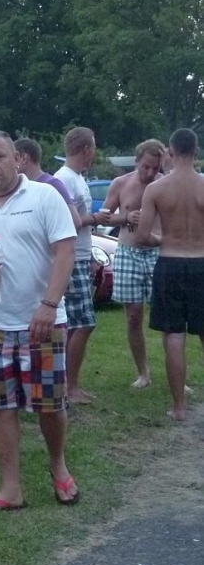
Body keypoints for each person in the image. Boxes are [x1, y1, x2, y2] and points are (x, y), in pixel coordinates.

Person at [0, 130, 78, 512]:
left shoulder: (44, 196)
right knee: (0, 407)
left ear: (17, 158)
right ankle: (11, 489)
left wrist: (48, 304)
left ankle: (58, 466)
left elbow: (65, 251)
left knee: (49, 405)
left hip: (41, 321)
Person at [135, 128, 204, 422]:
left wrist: (163, 240)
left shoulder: (156, 190)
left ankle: (178, 407)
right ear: (196, 152)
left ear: (170, 153)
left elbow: (141, 236)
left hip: (170, 263)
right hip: (202, 262)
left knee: (174, 336)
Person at [97, 139, 164, 389]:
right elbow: (103, 216)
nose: (149, 173)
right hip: (127, 251)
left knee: (168, 314)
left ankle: (174, 370)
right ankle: (143, 372)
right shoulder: (121, 183)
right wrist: (125, 217)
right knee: (133, 316)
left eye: (154, 168)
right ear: (137, 161)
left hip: (159, 252)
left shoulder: (164, 184)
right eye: (145, 166)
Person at [54, 127, 100, 404]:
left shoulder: (78, 179)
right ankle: (70, 388)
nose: (94, 152)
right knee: (84, 324)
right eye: (93, 147)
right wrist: (95, 218)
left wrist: (92, 256)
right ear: (86, 148)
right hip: (71, 261)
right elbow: (69, 222)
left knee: (74, 325)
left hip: (82, 258)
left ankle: (69, 385)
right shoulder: (63, 180)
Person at [13, 137, 81, 230]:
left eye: (15, 159)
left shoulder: (52, 184)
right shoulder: (21, 187)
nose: (11, 164)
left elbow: (75, 222)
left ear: (24, 158)